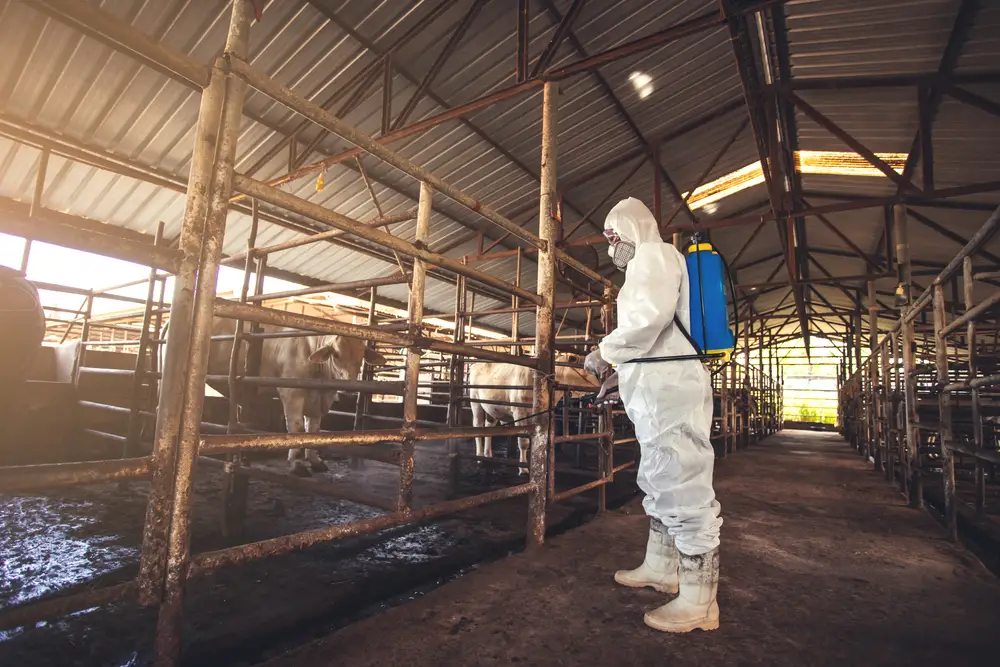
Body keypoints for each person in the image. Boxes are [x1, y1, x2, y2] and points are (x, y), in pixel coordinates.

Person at [585, 197, 722, 633]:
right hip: (655, 385)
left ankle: (700, 602)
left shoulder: (654, 255)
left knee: (681, 483)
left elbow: (649, 320)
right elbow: (650, 339)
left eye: (614, 237)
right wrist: (618, 375)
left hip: (670, 388)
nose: (613, 248)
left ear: (634, 227)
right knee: (660, 477)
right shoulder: (648, 263)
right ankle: (662, 568)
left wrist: (603, 353)